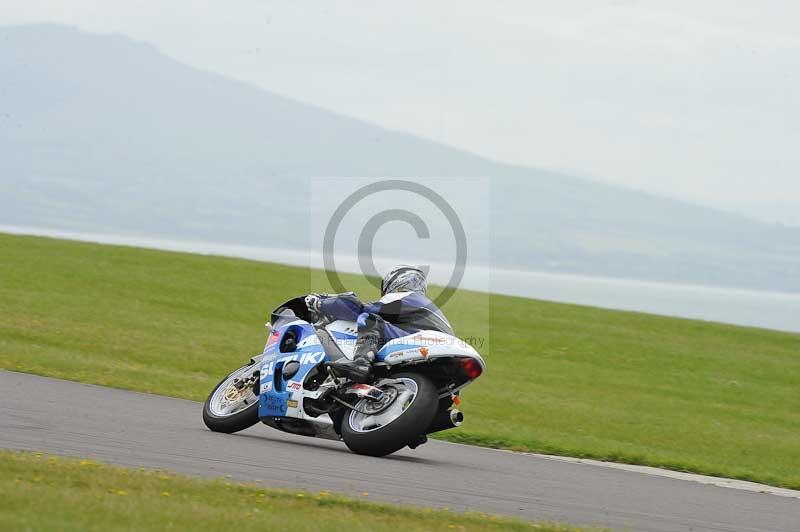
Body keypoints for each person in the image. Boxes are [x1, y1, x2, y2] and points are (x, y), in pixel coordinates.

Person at [304, 265, 453, 383]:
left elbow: (357, 309)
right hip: (445, 356)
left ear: (396, 281)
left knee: (369, 318)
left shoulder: (406, 295)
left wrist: (319, 303)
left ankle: (361, 363)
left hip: (424, 342)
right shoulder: (430, 308)